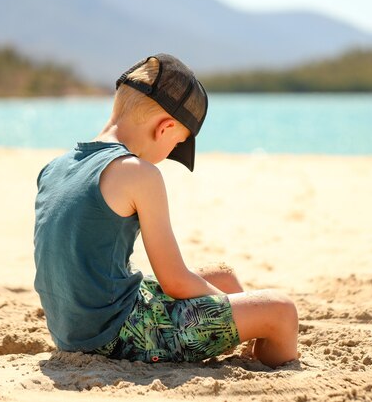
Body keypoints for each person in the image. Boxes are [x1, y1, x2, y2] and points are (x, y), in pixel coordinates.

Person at [33, 53, 298, 368]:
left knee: (224, 277)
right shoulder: (137, 172)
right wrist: (226, 306)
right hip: (119, 335)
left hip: (73, 329)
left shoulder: (55, 167)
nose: (170, 153)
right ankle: (271, 362)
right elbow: (174, 280)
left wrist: (227, 305)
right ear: (165, 127)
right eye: (176, 144)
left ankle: (235, 329)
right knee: (281, 312)